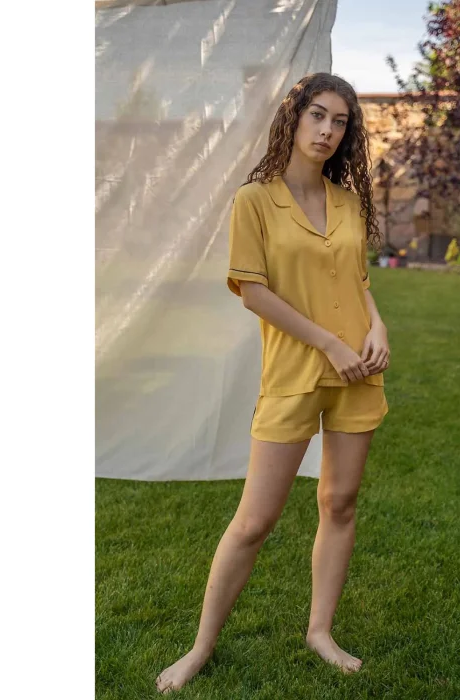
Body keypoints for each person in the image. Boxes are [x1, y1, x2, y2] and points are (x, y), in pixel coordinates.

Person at [156, 73, 390, 694]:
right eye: (318, 115)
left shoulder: (348, 202)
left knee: (340, 503)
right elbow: (254, 291)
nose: (327, 131)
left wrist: (378, 327)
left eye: (340, 121)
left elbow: (359, 281)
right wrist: (330, 343)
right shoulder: (254, 201)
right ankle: (200, 647)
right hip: (296, 374)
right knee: (255, 520)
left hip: (359, 373)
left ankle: (320, 631)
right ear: (294, 117)